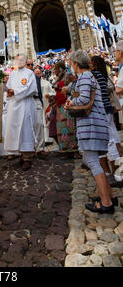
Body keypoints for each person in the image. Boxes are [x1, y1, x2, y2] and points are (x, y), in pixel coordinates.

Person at [65, 50, 115, 214]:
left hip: (91, 125)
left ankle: (106, 202)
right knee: (95, 159)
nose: (71, 66)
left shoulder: (85, 77)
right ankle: (109, 195)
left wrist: (71, 103)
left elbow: (85, 99)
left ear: (76, 64)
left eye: (71, 63)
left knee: (92, 160)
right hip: (94, 124)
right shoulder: (87, 77)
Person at [4, 54, 38, 170]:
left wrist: (16, 92)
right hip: (14, 105)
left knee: (25, 129)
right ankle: (21, 155)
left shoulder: (29, 74)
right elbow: (8, 87)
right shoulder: (13, 74)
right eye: (17, 60)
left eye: (22, 60)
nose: (19, 62)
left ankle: (27, 157)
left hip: (25, 105)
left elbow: (31, 88)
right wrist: (9, 92)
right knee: (15, 129)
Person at [90, 56, 121, 176]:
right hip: (106, 108)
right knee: (111, 137)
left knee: (108, 140)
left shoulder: (95, 75)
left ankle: (114, 170)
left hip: (101, 110)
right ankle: (112, 169)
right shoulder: (102, 75)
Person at [53, 61, 77, 158]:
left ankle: (74, 150)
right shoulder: (58, 78)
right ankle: (65, 150)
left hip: (66, 103)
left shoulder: (68, 76)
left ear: (60, 69)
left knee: (69, 127)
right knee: (62, 128)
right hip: (59, 105)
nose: (54, 71)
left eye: (56, 69)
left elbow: (73, 88)